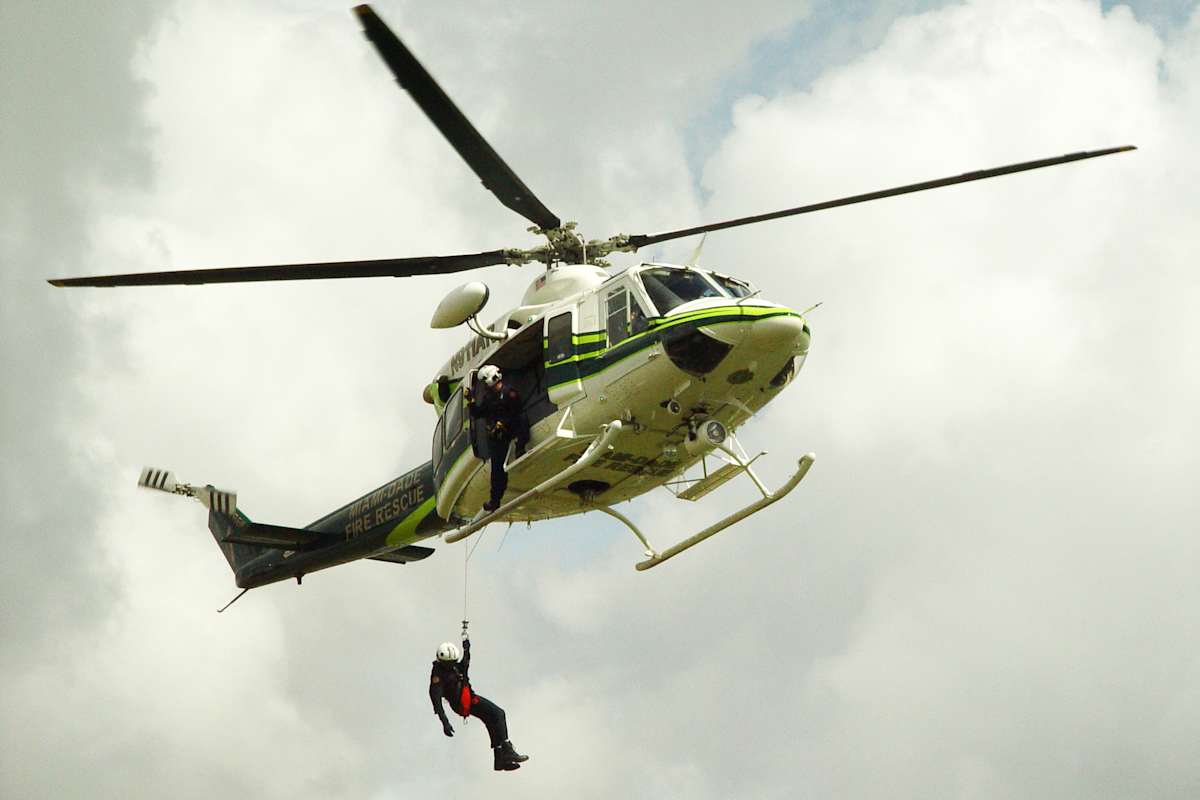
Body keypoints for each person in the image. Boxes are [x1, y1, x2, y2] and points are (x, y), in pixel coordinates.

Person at [429, 635, 529, 771]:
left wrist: (467, 649)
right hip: (463, 703)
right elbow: (436, 702)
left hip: (468, 699)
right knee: (499, 713)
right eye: (450, 663)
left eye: (454, 661)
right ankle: (507, 749)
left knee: (490, 719)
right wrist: (445, 722)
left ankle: (499, 759)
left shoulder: (453, 667)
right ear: (443, 662)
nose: (453, 664)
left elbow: (464, 664)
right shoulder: (438, 677)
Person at [466, 364, 529, 511]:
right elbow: (478, 413)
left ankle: (521, 447)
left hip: (512, 428)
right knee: (496, 468)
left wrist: (504, 423)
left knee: (522, 419)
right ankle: (495, 500)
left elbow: (517, 412)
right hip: (499, 435)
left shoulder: (509, 393)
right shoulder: (490, 398)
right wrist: (471, 401)